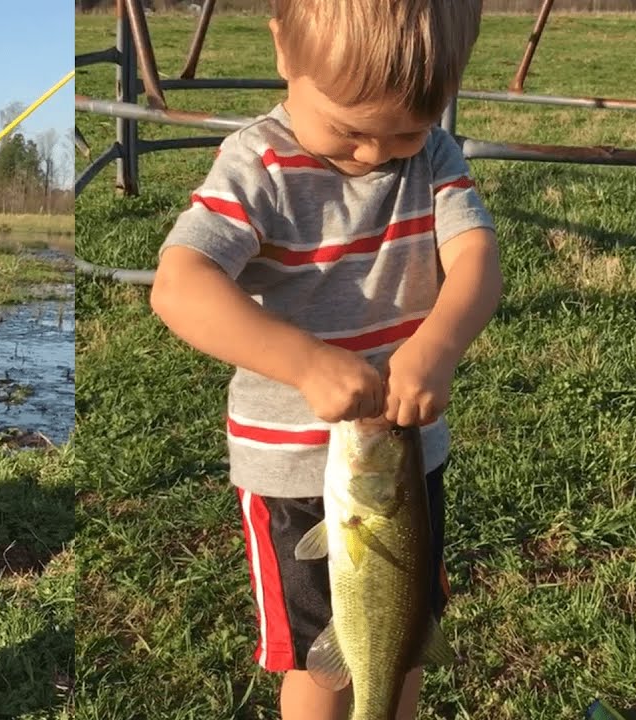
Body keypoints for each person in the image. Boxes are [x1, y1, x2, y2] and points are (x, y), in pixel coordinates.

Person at [148, 0, 501, 718]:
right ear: (285, 52)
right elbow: (179, 286)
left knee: (401, 637)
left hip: (407, 463)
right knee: (322, 662)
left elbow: (477, 260)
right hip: (293, 473)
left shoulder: (433, 155)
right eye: (348, 129)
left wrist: (439, 343)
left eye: (403, 129)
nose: (374, 154)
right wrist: (306, 364)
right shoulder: (260, 166)